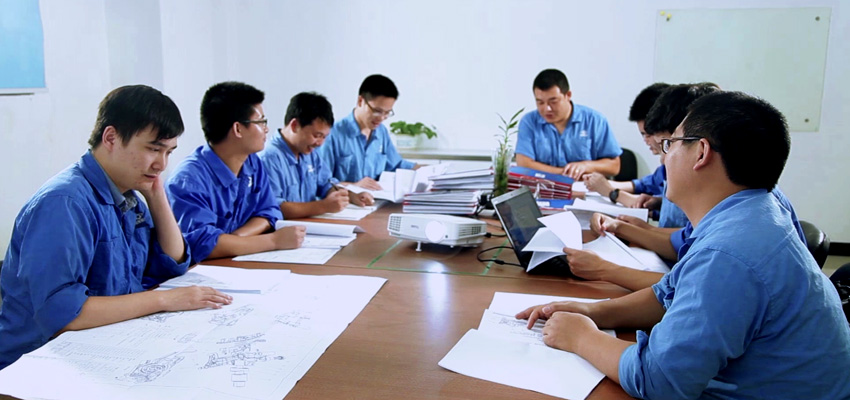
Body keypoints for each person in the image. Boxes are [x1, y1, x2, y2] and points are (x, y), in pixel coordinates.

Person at [517, 91, 850, 399]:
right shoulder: (753, 210)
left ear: (701, 153)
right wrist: (592, 311)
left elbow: (658, 381)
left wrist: (582, 337)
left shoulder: (728, 252)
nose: (663, 159)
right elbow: (669, 294)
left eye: (670, 144)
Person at [0, 85, 232, 370]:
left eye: (169, 152)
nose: (161, 164)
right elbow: (62, 313)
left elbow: (171, 263)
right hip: (36, 364)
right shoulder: (64, 202)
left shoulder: (128, 195)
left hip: (104, 344)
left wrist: (156, 195)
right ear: (110, 138)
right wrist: (164, 299)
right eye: (153, 149)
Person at [167, 81, 305, 265]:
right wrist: (274, 241)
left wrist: (236, 239)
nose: (266, 129)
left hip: (238, 262)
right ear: (238, 129)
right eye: (261, 121)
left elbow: (269, 211)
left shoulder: (252, 162)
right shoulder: (188, 180)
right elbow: (202, 244)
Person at [259, 92, 375, 218]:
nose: (320, 143)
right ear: (295, 125)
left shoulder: (309, 152)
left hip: (310, 224)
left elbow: (326, 184)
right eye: (317, 136)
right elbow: (274, 208)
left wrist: (349, 196)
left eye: (324, 137)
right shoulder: (269, 158)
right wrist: (323, 206)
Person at [516, 68, 622, 179]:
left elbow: (614, 166)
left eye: (553, 102)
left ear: (568, 95)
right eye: (540, 102)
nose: (547, 109)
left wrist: (586, 166)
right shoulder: (529, 122)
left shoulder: (595, 120)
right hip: (545, 185)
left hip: (586, 186)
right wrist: (565, 174)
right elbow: (524, 164)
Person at [320, 74, 417, 190]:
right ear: (360, 101)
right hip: (346, 200)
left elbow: (396, 165)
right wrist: (353, 186)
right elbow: (322, 182)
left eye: (387, 113)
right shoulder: (332, 135)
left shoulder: (381, 132)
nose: (381, 118)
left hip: (376, 199)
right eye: (377, 111)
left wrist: (428, 170)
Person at [582, 83, 670, 210]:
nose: (646, 141)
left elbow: (671, 214)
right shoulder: (664, 169)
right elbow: (646, 184)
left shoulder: (680, 168)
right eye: (642, 134)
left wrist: (611, 191)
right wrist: (603, 184)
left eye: (648, 134)